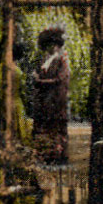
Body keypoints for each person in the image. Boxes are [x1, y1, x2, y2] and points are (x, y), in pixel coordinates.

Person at [32, 27, 70, 164]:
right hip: (44, 100)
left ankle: (59, 156)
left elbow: (60, 80)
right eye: (48, 45)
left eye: (54, 45)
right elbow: (37, 76)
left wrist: (41, 82)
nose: (51, 48)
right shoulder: (43, 61)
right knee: (44, 127)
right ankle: (46, 155)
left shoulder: (61, 61)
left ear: (58, 46)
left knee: (57, 128)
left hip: (56, 100)